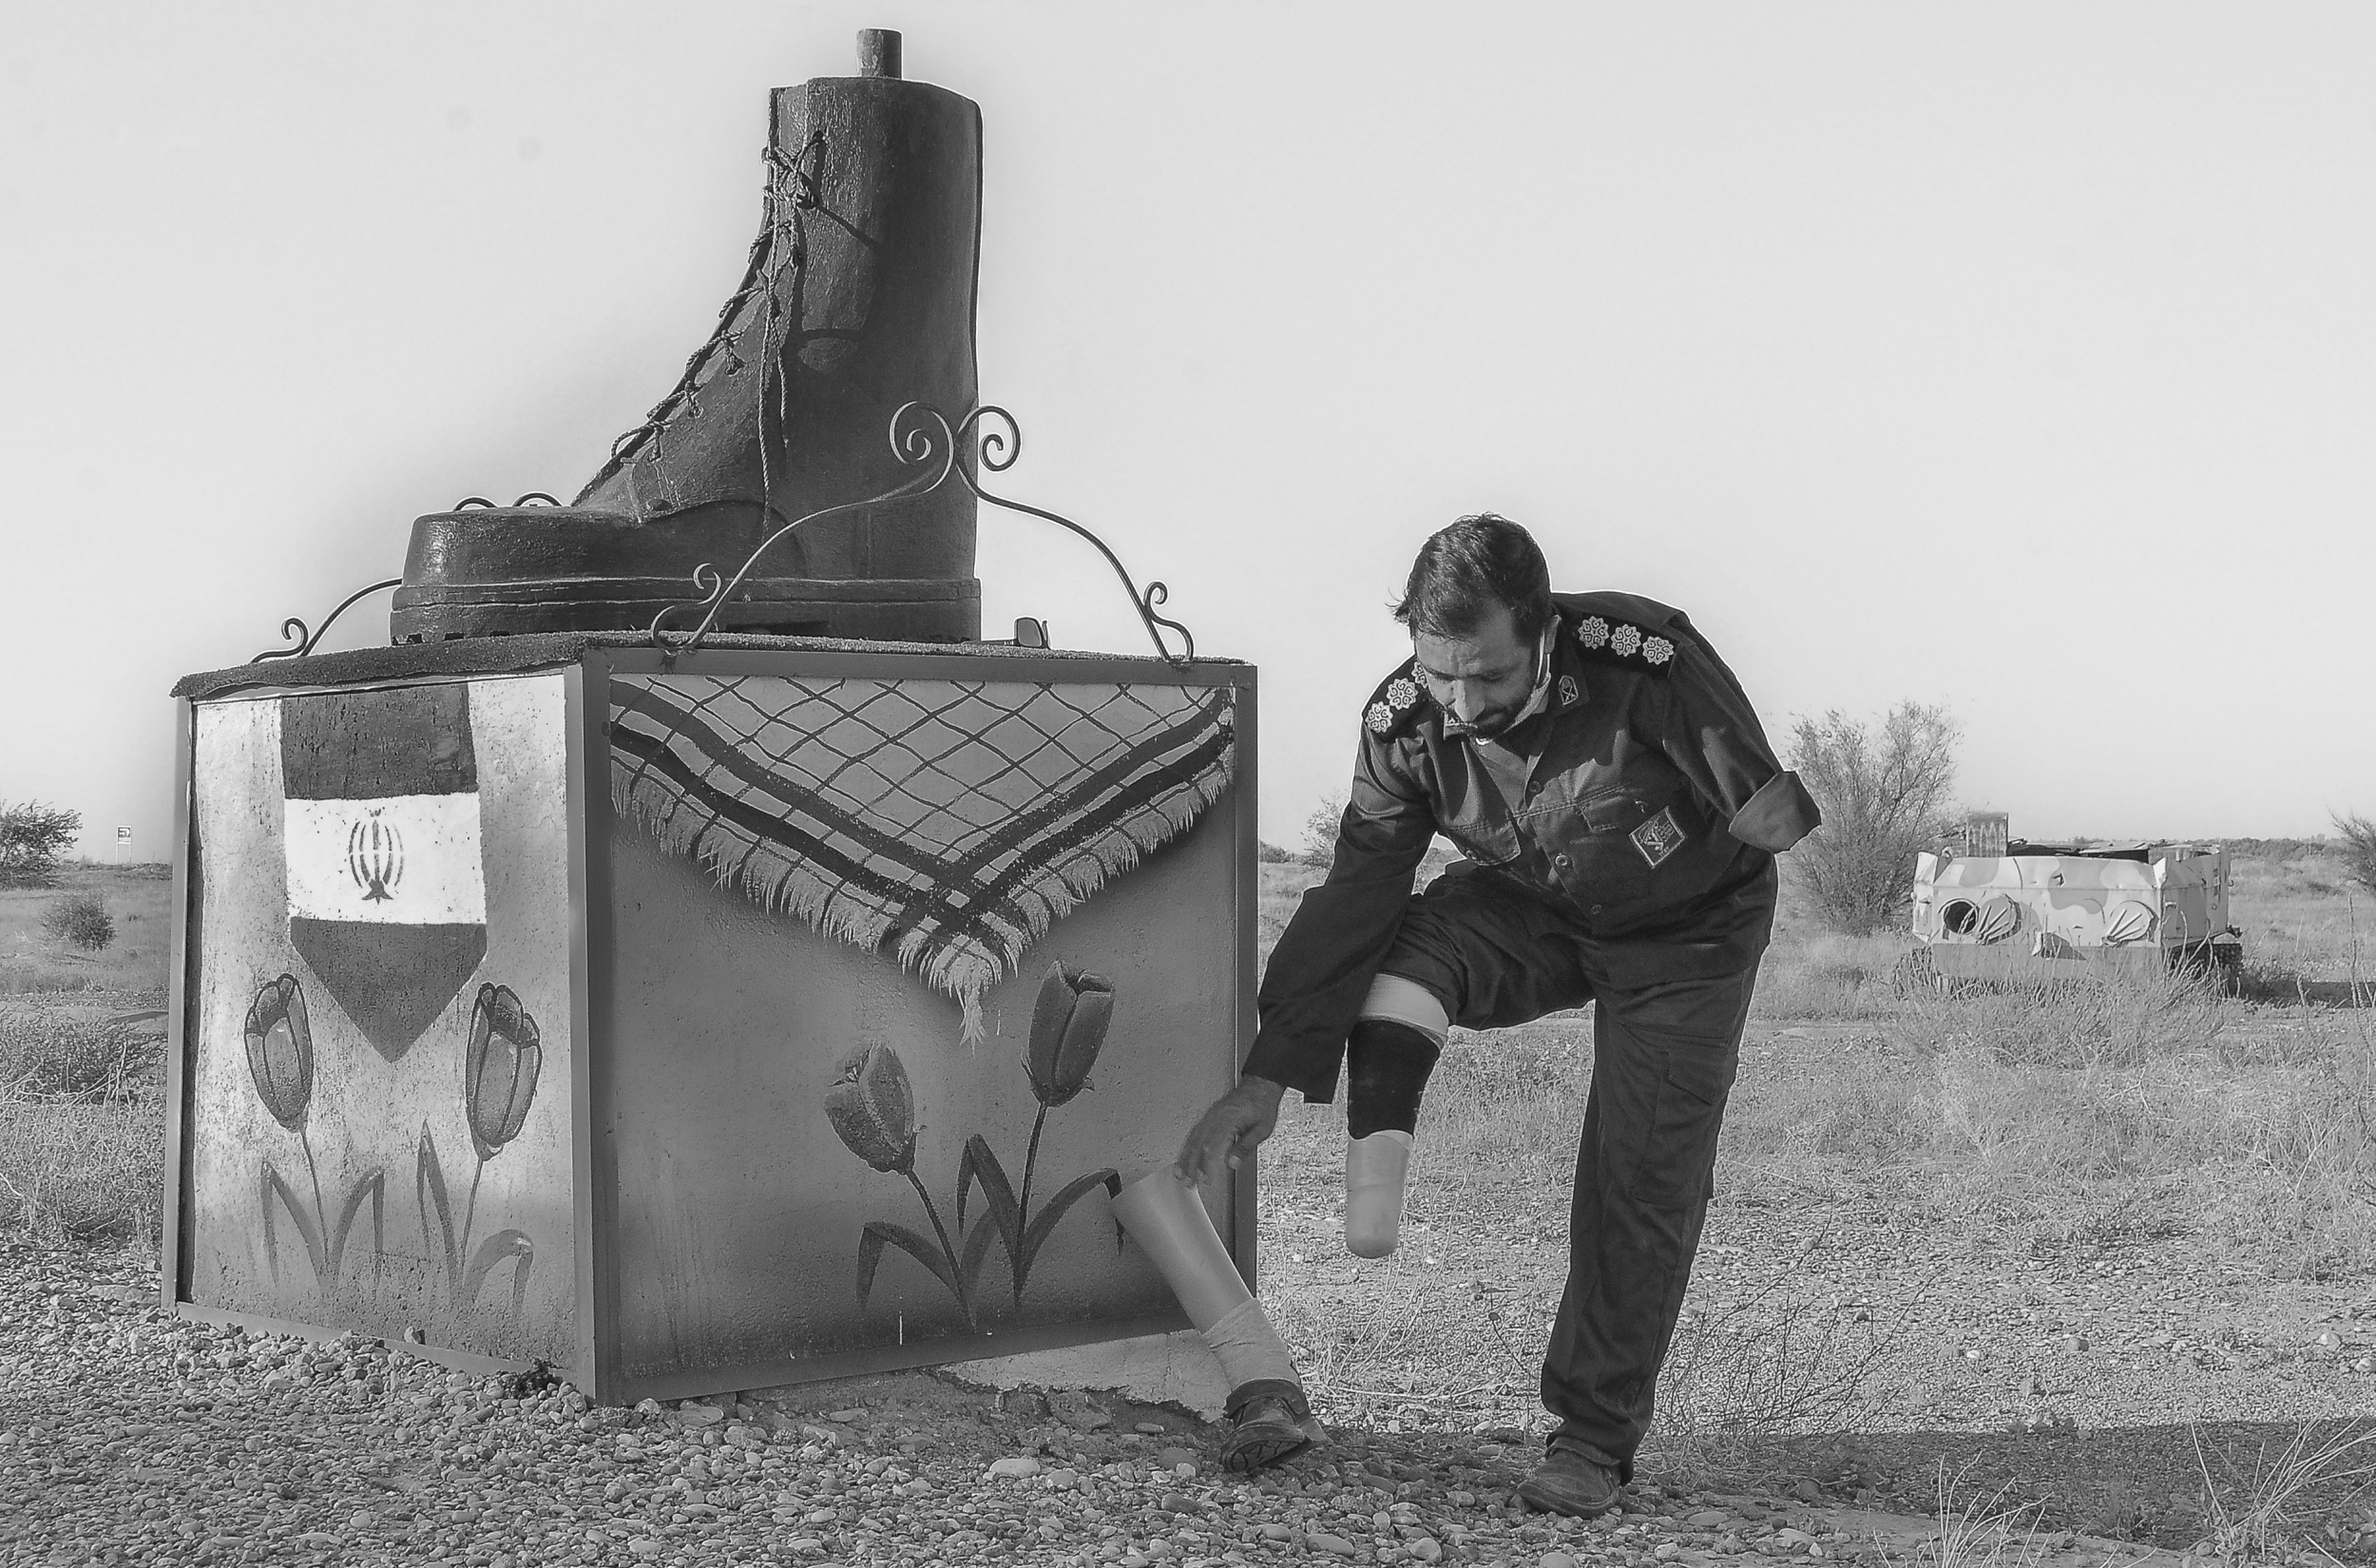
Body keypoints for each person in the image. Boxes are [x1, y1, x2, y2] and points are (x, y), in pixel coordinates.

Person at [1174, 514, 1820, 1516]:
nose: (1465, 705)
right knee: (1400, 951)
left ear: (1542, 630)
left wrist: (1751, 817)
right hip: (1541, 912)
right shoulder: (1401, 724)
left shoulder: (1642, 664)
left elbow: (1762, 812)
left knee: (1639, 1175)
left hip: (1686, 937)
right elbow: (1357, 891)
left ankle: (1593, 1443)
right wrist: (1267, 1073)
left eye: (1489, 678)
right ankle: (1374, 1182)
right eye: (1441, 678)